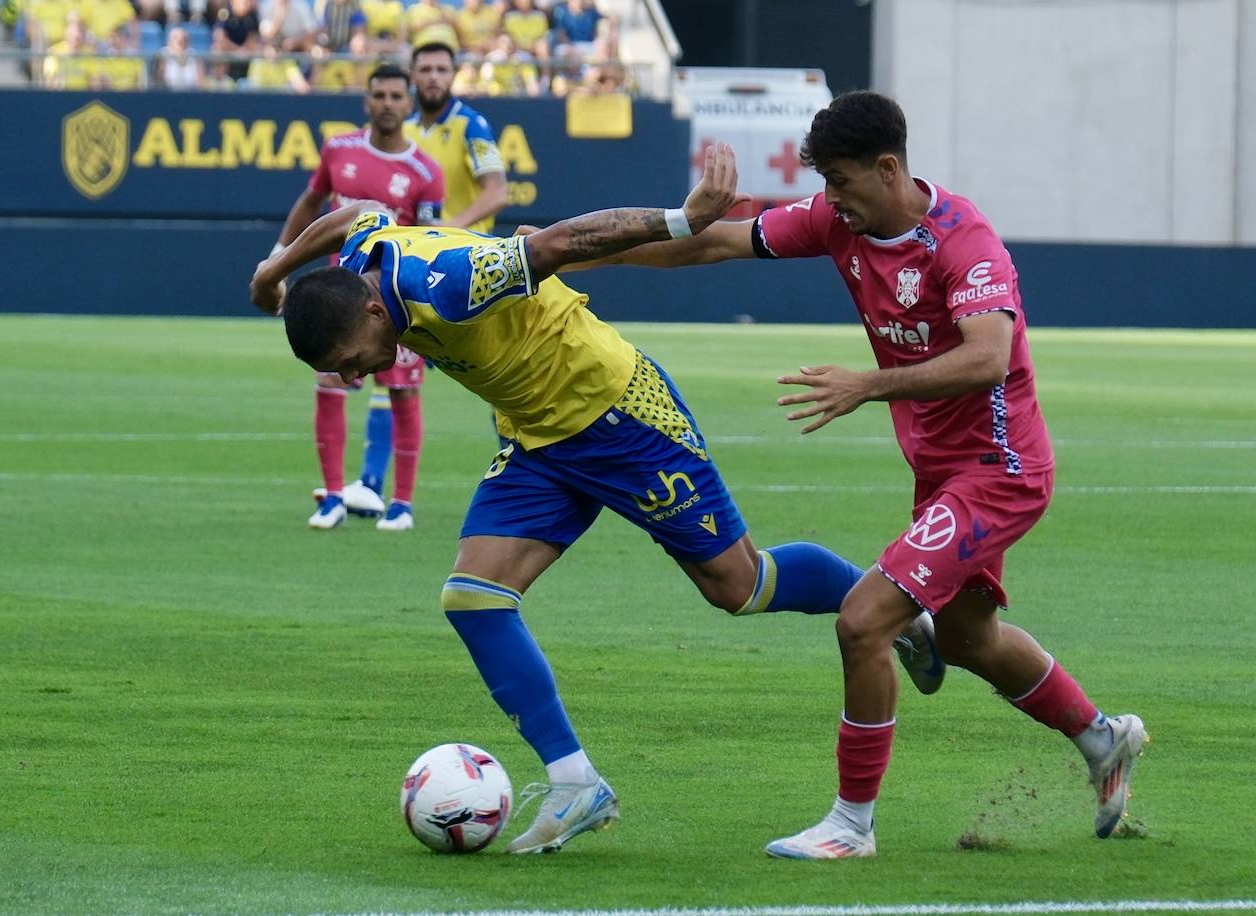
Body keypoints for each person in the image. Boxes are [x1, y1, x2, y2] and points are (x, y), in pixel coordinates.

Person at [249, 144, 946, 855]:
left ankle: (894, 610)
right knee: (473, 596)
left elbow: (563, 241)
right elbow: (354, 214)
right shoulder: (364, 255)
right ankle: (576, 781)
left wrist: (682, 218)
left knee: (741, 586)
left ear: (372, 307)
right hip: (540, 439)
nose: (358, 376)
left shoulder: (450, 279)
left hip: (618, 414)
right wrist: (275, 268)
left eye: (352, 360)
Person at [569, 90, 1147, 858]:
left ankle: (851, 827)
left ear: (887, 168)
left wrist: (866, 384)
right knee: (972, 640)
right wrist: (568, 253)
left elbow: (988, 357)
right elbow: (713, 244)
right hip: (942, 473)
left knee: (864, 620)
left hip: (999, 472)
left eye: (841, 182)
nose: (830, 200)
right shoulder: (839, 220)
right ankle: (1104, 739)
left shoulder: (962, 242)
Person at [272, 63, 445, 530]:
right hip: (336, 301)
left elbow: (429, 240)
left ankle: (402, 504)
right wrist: (278, 255)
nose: (387, 104)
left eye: (395, 96)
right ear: (366, 102)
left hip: (395, 306)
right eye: (379, 96)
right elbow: (311, 203)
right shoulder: (338, 150)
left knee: (403, 394)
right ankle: (331, 497)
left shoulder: (425, 172)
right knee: (329, 387)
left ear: (408, 104)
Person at [404, 41, 508, 233]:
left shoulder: (471, 124)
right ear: (412, 76)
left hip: (466, 249)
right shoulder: (404, 129)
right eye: (425, 70)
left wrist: (449, 228)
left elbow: (498, 192)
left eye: (442, 70)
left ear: (453, 75)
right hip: (416, 250)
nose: (433, 77)